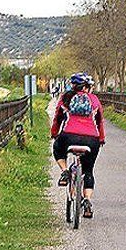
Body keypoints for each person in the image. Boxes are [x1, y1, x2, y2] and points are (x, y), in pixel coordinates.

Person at [52, 73, 106, 219]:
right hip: (91, 139)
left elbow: (57, 117)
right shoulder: (94, 100)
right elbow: (100, 121)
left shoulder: (66, 97)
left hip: (69, 136)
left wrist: (54, 133)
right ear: (88, 87)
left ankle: (64, 171)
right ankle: (87, 200)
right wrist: (101, 138)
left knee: (58, 149)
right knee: (88, 170)